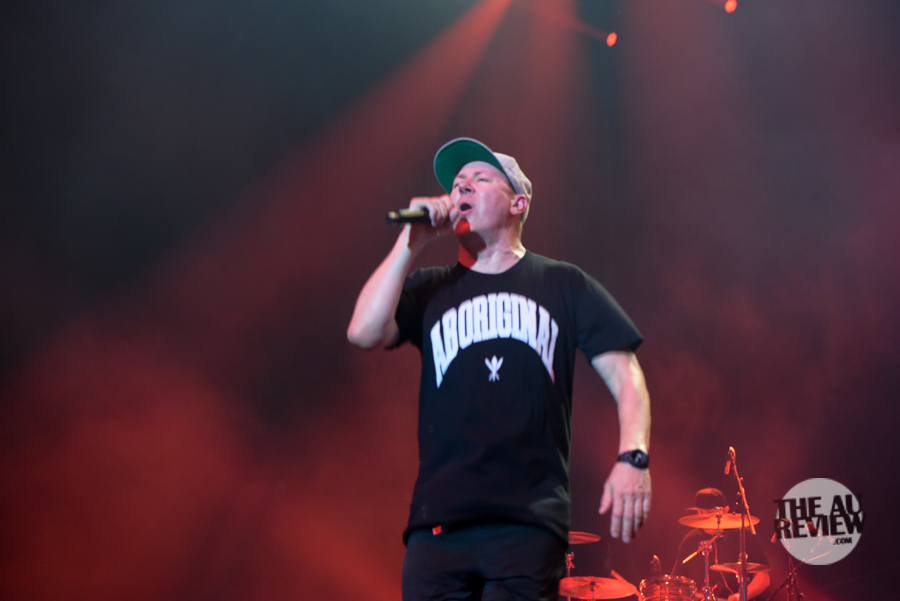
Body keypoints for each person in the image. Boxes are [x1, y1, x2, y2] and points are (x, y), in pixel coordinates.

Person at [347, 137, 652, 601]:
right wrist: (411, 243)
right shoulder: (430, 288)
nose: (462, 187)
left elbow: (626, 375)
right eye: (457, 183)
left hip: (527, 525)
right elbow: (363, 332)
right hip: (438, 525)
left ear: (518, 203)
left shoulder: (563, 283)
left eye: (480, 178)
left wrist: (633, 457)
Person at [672, 488, 771, 601]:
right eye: (701, 512)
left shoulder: (742, 535)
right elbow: (676, 584)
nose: (704, 516)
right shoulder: (690, 540)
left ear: (725, 510)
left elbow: (763, 578)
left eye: (709, 512)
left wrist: (739, 597)